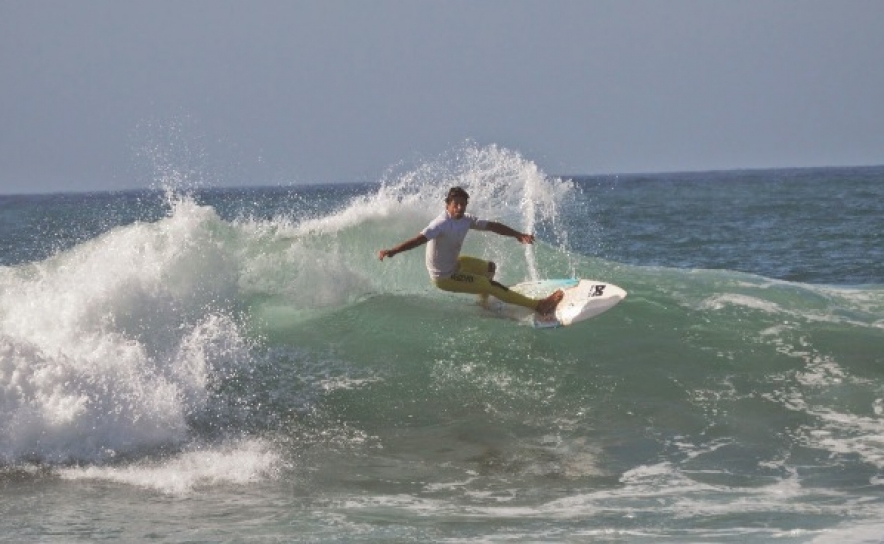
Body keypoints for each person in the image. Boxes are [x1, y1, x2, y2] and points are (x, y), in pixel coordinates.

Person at [378, 186, 564, 316]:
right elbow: (418, 239)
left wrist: (517, 234)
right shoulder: (440, 224)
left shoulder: (466, 219)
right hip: (444, 277)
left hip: (455, 265)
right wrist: (393, 251)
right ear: (447, 205)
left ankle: (483, 305)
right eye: (455, 204)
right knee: (489, 284)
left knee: (490, 268)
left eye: (463, 204)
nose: (459, 208)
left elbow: (492, 226)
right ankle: (539, 306)